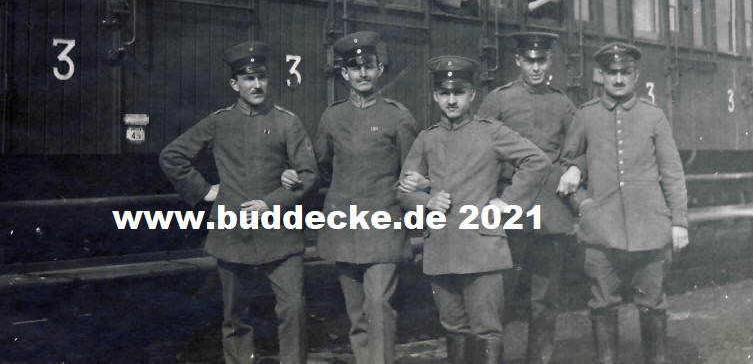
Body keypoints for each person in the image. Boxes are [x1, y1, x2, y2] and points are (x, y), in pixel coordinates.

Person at [159, 41, 317, 364]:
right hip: (233, 231)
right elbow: (172, 156)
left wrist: (271, 203)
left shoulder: (287, 122)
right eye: (248, 78)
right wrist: (205, 191)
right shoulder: (219, 122)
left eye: (261, 77)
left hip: (279, 231)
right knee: (235, 314)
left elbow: (308, 174)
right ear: (235, 84)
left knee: (294, 308)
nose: (256, 85)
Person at [398, 55, 550, 364]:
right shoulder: (427, 138)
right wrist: (427, 201)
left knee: (487, 330)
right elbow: (403, 189)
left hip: (482, 249)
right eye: (444, 93)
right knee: (453, 327)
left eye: (459, 92)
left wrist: (507, 203)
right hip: (442, 249)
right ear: (435, 96)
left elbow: (537, 161)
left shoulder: (491, 131)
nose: (451, 100)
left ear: (472, 95)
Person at [284, 31, 417, 364]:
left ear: (379, 70)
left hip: (384, 224)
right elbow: (322, 166)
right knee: (356, 313)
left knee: (379, 305)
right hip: (344, 225)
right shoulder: (332, 117)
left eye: (369, 66)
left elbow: (412, 170)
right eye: (355, 68)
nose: (362, 74)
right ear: (344, 73)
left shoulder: (398, 116)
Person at [556, 42, 689, 364]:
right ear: (601, 75)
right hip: (601, 233)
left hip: (650, 231)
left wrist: (679, 222)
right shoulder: (586, 115)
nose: (618, 79)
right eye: (611, 72)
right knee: (602, 306)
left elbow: (672, 172)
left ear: (635, 75)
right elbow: (566, 166)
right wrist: (583, 206)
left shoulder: (653, 116)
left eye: (624, 72)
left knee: (653, 305)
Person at [477, 32, 577, 364]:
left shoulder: (562, 104)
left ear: (550, 62)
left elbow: (580, 146)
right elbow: (479, 149)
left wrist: (575, 167)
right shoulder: (498, 101)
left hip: (550, 214)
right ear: (518, 61)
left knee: (545, 301)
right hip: (509, 209)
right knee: (500, 295)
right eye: (530, 61)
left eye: (542, 61)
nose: (536, 68)